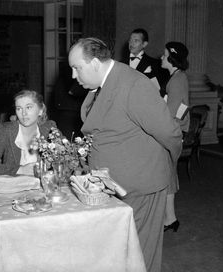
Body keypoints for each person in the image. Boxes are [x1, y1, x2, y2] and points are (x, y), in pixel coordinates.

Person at [68, 37, 182, 272]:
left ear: (96, 64)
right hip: (111, 187)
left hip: (141, 187)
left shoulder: (133, 84)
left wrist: (166, 168)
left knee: (139, 256)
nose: (72, 75)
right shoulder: (99, 85)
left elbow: (170, 133)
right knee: (117, 254)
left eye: (76, 68)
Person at [0, 90, 57, 176]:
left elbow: (68, 158)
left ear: (40, 111)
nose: (23, 113)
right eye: (19, 108)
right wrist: (20, 169)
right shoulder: (5, 130)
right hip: (14, 185)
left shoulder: (50, 129)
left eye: (28, 107)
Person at [161, 41, 190, 232]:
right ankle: (170, 219)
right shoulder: (178, 77)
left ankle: (170, 219)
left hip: (173, 133)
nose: (161, 58)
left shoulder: (177, 80)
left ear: (172, 58)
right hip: (176, 131)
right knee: (168, 175)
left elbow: (170, 114)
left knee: (167, 175)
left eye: (164, 55)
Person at [123, 28, 169, 96]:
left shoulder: (155, 64)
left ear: (144, 44)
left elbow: (160, 90)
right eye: (130, 40)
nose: (131, 43)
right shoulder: (121, 63)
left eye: (136, 40)